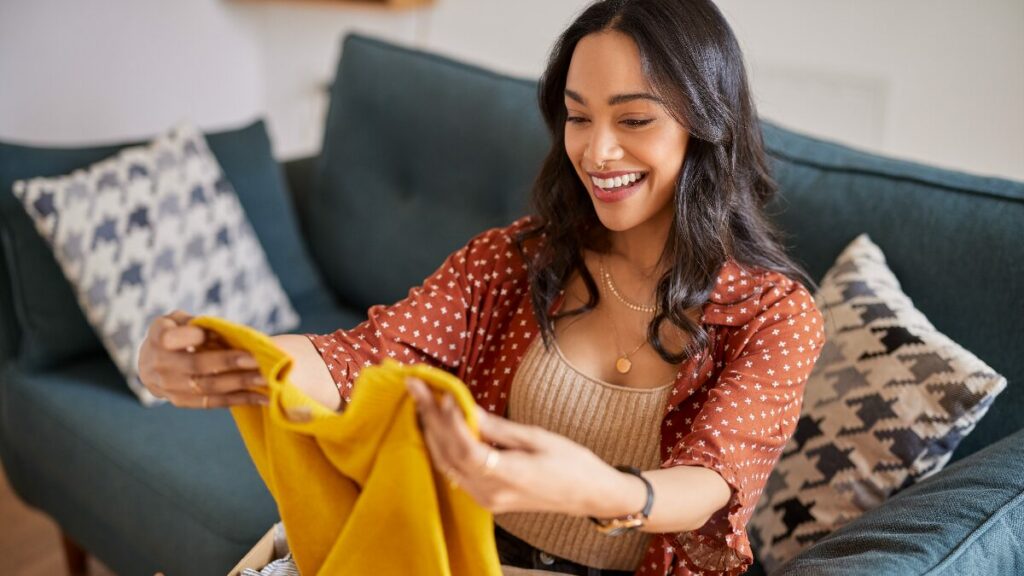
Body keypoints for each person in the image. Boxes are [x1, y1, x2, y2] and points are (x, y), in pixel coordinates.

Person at [138, 1, 825, 574]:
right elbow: (366, 357)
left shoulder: (773, 316)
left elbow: (712, 480)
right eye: (579, 116)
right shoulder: (515, 260)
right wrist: (233, 357)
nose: (597, 151)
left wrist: (600, 488)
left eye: (635, 119)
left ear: (706, 127)